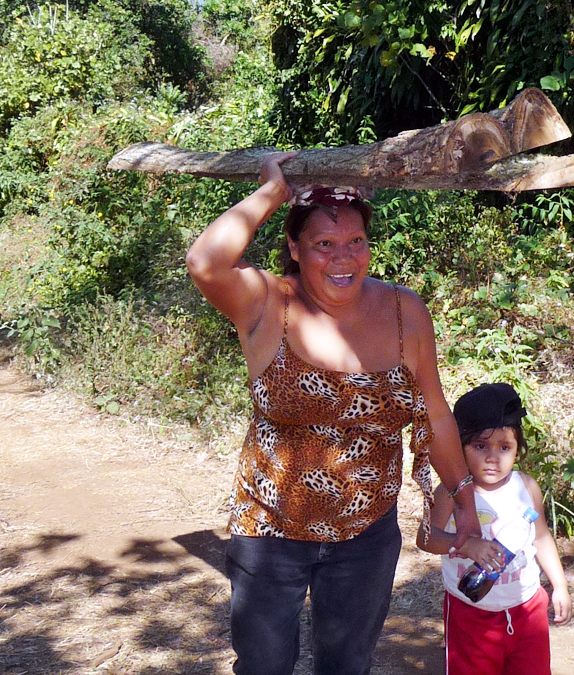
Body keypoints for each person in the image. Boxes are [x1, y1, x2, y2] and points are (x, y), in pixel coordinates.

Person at [184, 151, 482, 675]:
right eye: (323, 244)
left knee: (347, 666)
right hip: (270, 530)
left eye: (355, 243)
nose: (342, 258)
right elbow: (205, 261)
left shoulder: (402, 310)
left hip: (366, 535)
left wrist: (464, 500)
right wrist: (272, 193)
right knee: (264, 665)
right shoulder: (266, 301)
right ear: (296, 248)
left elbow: (435, 412)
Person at [417, 382, 572, 675]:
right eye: (480, 446)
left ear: (517, 449)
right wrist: (464, 544)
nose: (493, 457)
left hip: (527, 610)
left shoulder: (526, 487)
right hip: (470, 614)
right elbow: (426, 538)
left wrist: (559, 586)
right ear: (459, 448)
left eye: (504, 447)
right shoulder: (451, 493)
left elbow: (541, 537)